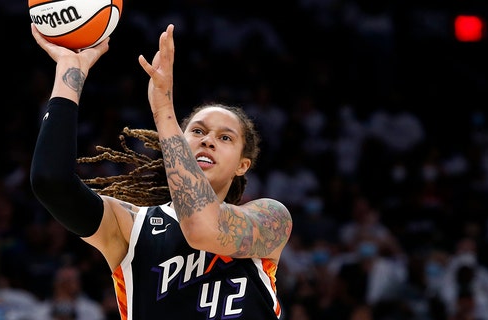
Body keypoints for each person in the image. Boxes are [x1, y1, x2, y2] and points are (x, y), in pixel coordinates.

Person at [29, 23, 293, 320]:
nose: (207, 140)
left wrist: (163, 110)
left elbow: (202, 228)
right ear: (179, 143)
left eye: (225, 137)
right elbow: (51, 182)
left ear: (243, 165)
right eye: (197, 131)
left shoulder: (270, 219)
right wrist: (69, 71)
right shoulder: (132, 227)